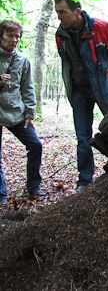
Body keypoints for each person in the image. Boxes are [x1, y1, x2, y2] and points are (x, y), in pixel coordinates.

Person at [54, 0, 108, 193]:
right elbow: (66, 62)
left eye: (62, 12)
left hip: (105, 89)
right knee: (83, 138)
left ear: (77, 11)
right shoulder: (60, 35)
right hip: (79, 92)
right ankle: (85, 182)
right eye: (57, 12)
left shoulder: (103, 28)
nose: (59, 17)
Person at [0, 19, 44, 205]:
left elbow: (28, 89)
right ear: (1, 35)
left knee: (36, 145)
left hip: (16, 112)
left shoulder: (23, 60)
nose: (14, 39)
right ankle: (1, 194)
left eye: (17, 36)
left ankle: (33, 186)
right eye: (10, 35)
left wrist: (29, 113)